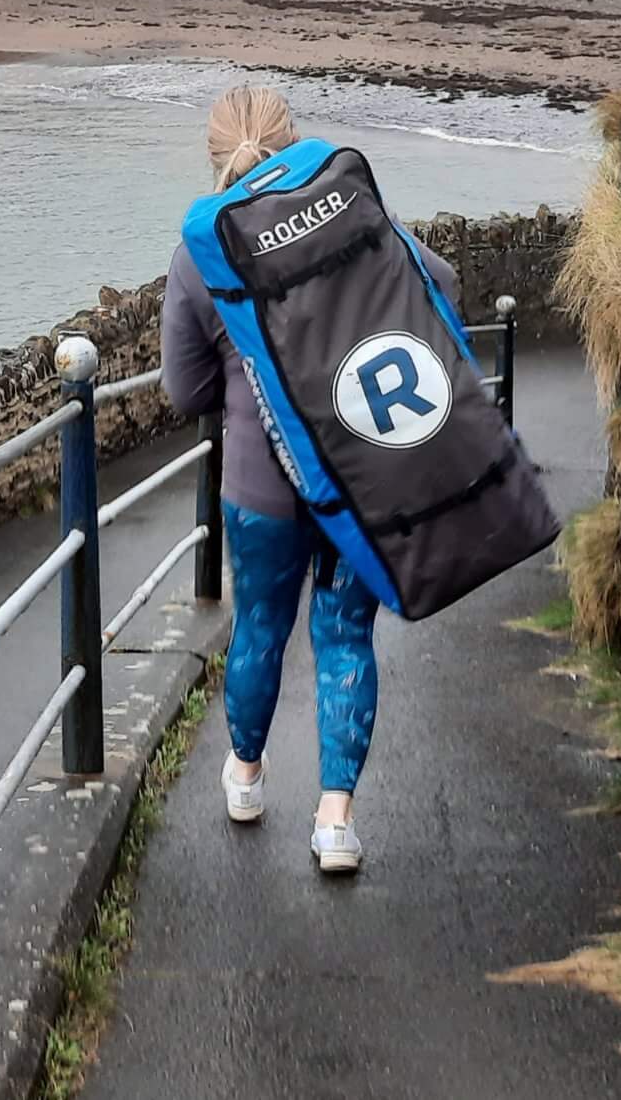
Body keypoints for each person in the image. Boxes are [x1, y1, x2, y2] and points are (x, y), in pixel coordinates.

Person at [159, 85, 456, 876]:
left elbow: (184, 393)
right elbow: (443, 283)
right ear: (295, 144)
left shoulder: (198, 254)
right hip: (358, 474)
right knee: (345, 636)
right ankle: (334, 823)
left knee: (259, 625)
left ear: (213, 157)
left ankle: (247, 779)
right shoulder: (348, 217)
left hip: (259, 487)